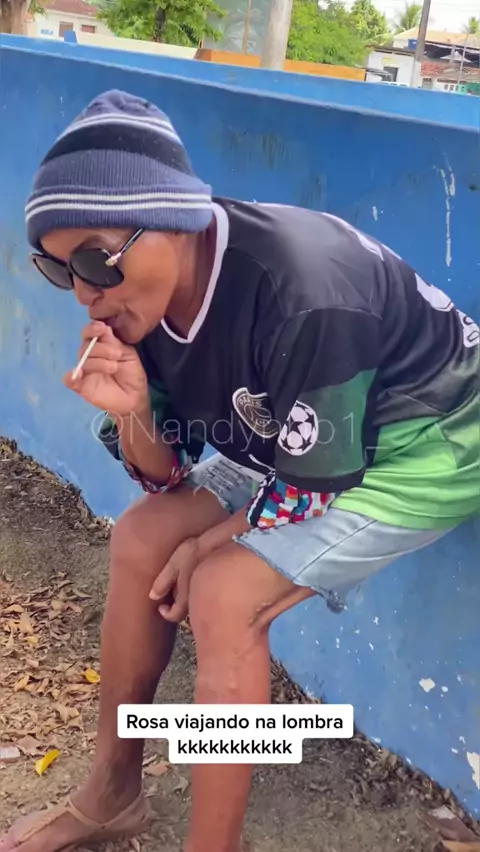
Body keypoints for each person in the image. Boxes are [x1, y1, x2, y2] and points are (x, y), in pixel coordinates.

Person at [2, 89, 478, 852]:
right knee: (141, 539)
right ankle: (112, 795)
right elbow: (165, 479)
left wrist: (212, 543)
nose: (87, 294)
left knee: (225, 594)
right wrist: (134, 412)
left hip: (427, 440)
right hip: (297, 437)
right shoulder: (141, 304)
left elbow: (314, 486)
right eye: (63, 271)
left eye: (95, 259)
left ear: (173, 221)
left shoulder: (303, 289)